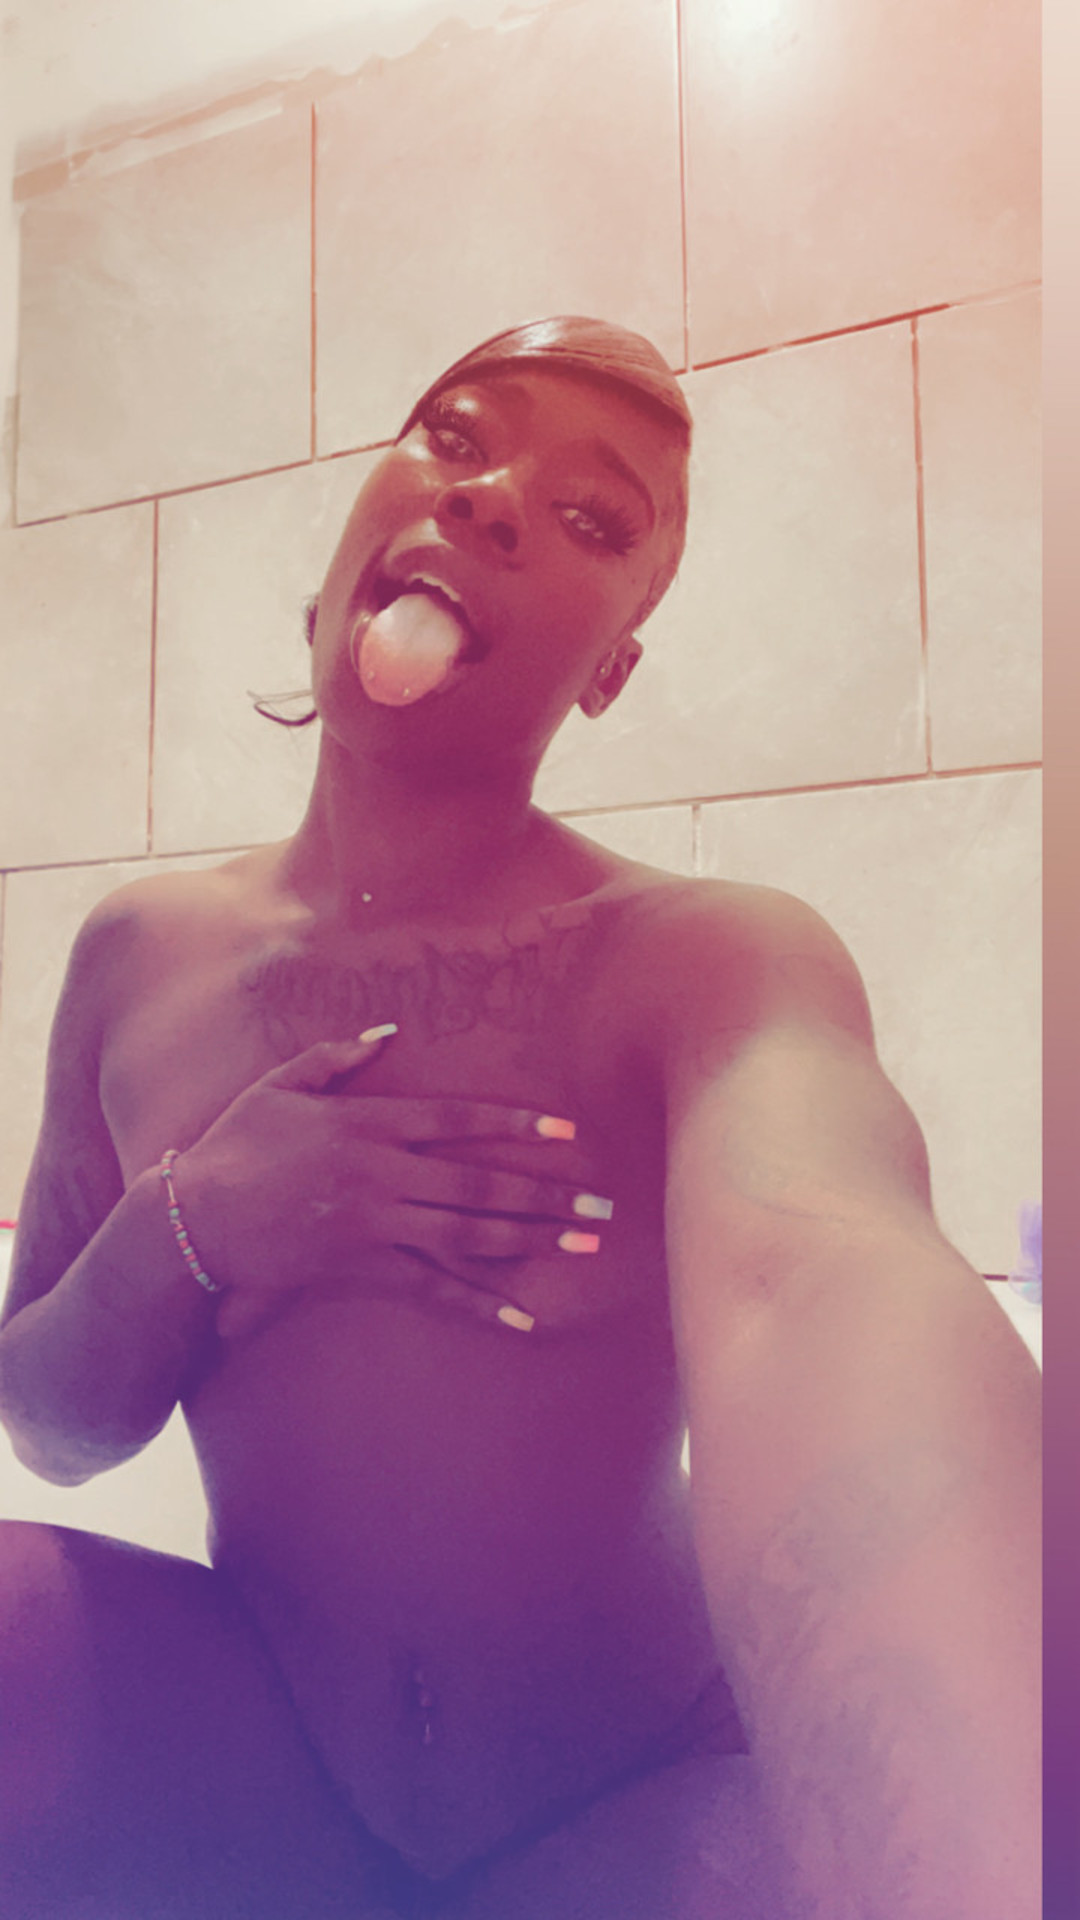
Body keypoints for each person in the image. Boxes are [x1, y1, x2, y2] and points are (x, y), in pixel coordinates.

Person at [0, 316, 1039, 1920]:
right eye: (459, 436)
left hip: (638, 1795)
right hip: (276, 1751)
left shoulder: (705, 961)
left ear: (611, 668)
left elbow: (818, 1271)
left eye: (590, 517)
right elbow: (54, 1428)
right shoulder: (136, 954)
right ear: (358, 525)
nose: (488, 498)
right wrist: (194, 1225)